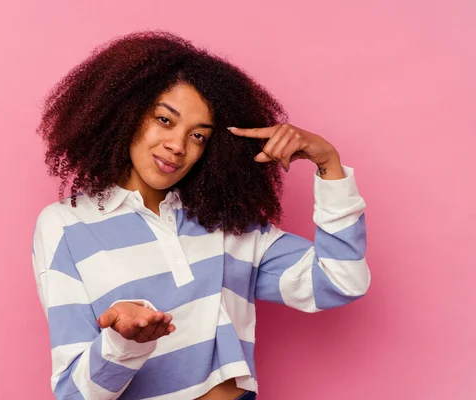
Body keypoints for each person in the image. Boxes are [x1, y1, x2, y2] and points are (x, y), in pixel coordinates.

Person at [31, 31, 370, 400]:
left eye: (198, 136)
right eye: (164, 119)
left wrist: (328, 164)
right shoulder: (66, 225)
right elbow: (73, 394)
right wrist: (123, 342)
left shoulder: (228, 226)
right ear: (126, 112)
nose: (177, 145)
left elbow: (341, 280)